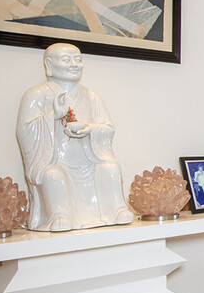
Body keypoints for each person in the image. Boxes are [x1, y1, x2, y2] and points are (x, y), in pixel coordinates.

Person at [16, 43, 135, 231]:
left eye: (78, 59)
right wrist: (53, 116)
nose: (74, 64)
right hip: (56, 160)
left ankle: (115, 210)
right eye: (66, 59)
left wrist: (89, 128)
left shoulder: (91, 96)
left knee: (110, 168)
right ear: (48, 64)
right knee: (52, 175)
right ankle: (59, 215)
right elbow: (26, 130)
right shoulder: (36, 95)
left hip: (89, 158)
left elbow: (108, 127)